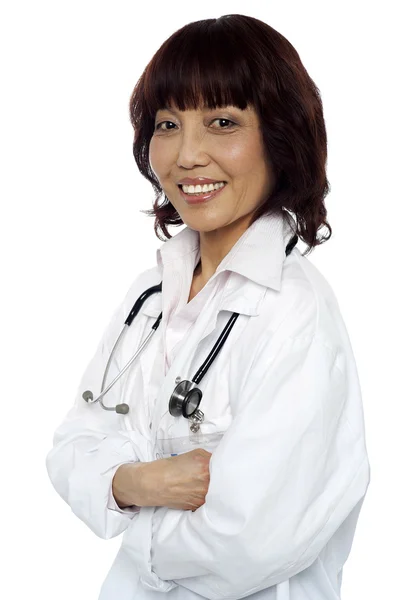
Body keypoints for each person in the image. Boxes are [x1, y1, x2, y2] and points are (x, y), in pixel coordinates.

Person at [46, 13, 370, 600]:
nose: (187, 155)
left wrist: (121, 499)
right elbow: (71, 449)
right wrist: (141, 480)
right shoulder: (149, 294)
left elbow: (249, 540)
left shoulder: (293, 312)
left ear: (281, 135)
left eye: (223, 122)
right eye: (168, 123)